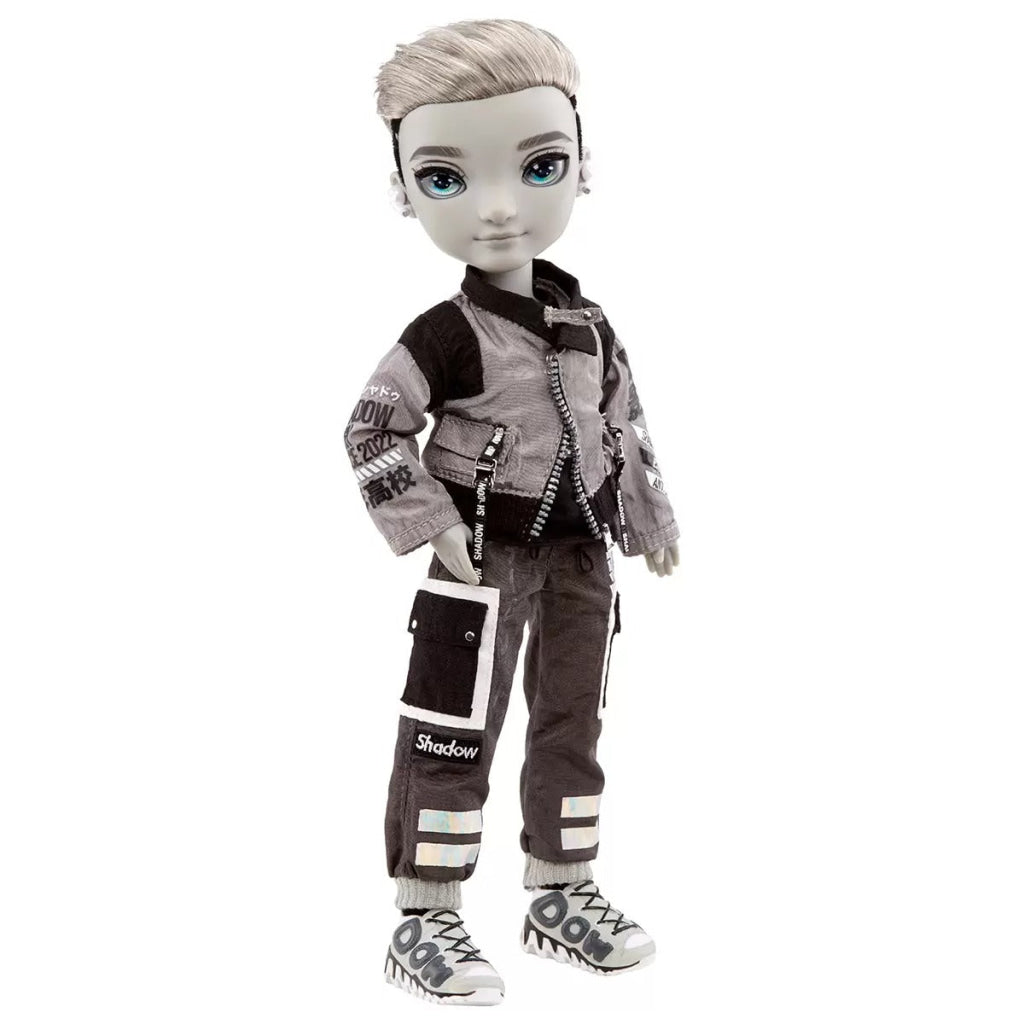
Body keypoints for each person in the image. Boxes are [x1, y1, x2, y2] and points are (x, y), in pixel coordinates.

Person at [346, 18, 680, 1005]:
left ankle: (560, 890)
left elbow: (624, 420)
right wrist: (431, 523)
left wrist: (647, 515)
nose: (498, 209)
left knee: (573, 722)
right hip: (479, 559)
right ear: (404, 189)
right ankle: (425, 912)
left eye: (538, 166)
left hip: (581, 558)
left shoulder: (587, 323)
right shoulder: (444, 335)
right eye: (446, 177)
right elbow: (371, 428)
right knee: (451, 728)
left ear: (581, 165)